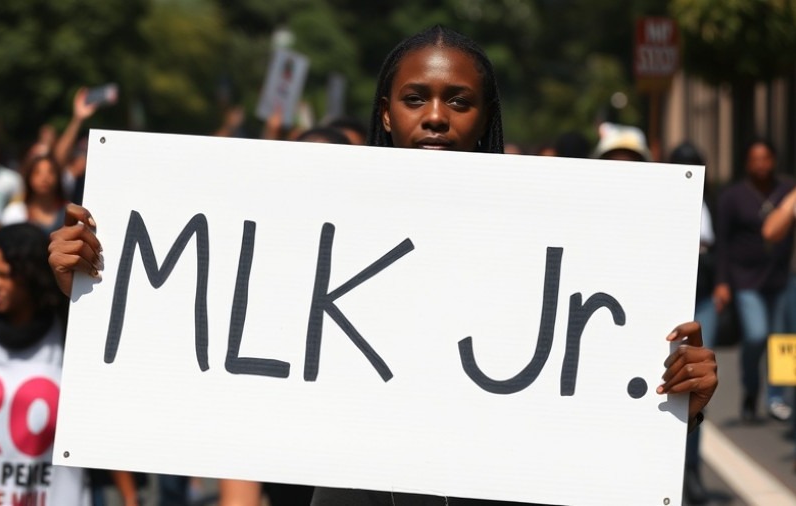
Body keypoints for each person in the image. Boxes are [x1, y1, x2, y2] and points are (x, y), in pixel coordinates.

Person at [47, 26, 717, 506]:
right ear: (386, 115)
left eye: (458, 101)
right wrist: (87, 289)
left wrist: (675, 400)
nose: (436, 117)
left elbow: (588, 406)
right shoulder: (303, 233)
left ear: (486, 117)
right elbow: (213, 351)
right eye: (415, 98)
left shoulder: (565, 240)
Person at [0, 223, 139, 506]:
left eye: (5, 275)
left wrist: (129, 496)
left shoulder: (68, 339)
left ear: (32, 277)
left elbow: (99, 429)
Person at [714, 139, 794, 423]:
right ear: (747, 163)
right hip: (746, 279)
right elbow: (722, 243)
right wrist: (722, 282)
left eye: (766, 158)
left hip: (781, 278)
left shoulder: (787, 192)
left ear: (774, 160)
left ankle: (776, 397)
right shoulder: (733, 197)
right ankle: (750, 387)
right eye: (755, 159)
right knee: (757, 335)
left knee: (782, 342)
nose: (761, 164)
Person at [668, 141, 716, 505]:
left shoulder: (711, 203)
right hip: (668, 305)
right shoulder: (658, 201)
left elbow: (725, 247)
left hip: (703, 301)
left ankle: (692, 470)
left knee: (695, 386)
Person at [0, 154, 67, 234]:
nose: (44, 178)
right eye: (37, 173)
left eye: (50, 172)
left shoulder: (68, 212)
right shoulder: (15, 212)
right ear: (29, 177)